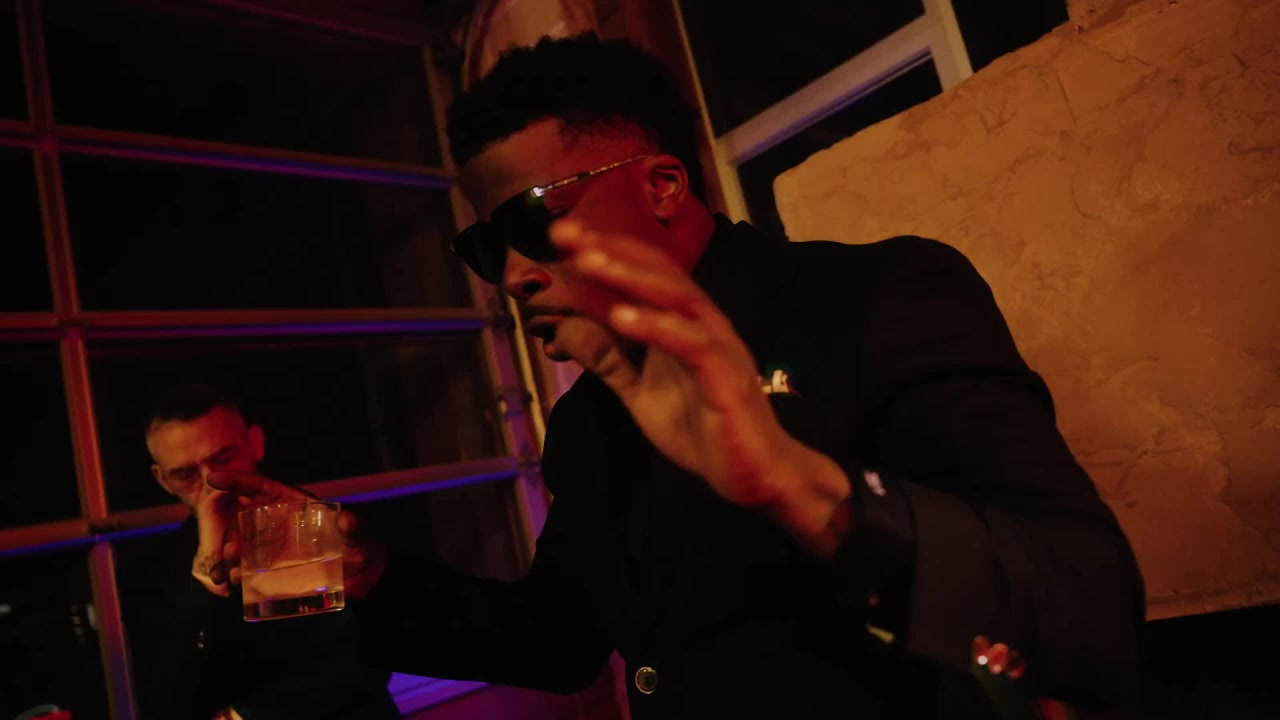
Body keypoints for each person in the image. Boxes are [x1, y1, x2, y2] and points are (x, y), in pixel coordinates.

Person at [210, 35, 1144, 718]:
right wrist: (365, 572)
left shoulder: (877, 295)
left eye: (535, 221)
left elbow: (1088, 609)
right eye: (486, 247)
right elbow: (560, 640)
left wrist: (797, 484)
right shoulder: (590, 420)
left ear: (661, 185)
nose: (515, 274)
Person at [122, 385, 398, 720]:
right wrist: (207, 571)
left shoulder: (321, 520)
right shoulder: (154, 573)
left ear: (255, 443)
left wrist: (238, 716)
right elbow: (171, 699)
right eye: (185, 475)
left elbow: (367, 659)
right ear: (163, 480)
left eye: (224, 459)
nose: (211, 483)